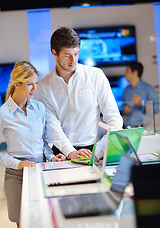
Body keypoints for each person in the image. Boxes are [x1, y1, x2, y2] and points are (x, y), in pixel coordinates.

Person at [36, 26, 123, 160]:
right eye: (67, 55)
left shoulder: (96, 76)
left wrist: (98, 153)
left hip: (94, 151)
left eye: (76, 54)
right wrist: (71, 152)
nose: (73, 60)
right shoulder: (44, 86)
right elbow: (52, 126)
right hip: (62, 154)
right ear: (54, 53)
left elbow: (115, 120)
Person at [0, 61, 66, 228]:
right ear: (16, 84)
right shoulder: (3, 114)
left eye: (35, 83)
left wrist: (51, 157)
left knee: (45, 220)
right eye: (29, 84)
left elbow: (43, 142)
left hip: (40, 171)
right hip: (16, 177)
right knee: (24, 224)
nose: (34, 89)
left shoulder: (39, 108)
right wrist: (19, 163)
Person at [122, 61, 159, 128]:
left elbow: (156, 109)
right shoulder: (126, 90)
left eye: (127, 71)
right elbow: (123, 107)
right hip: (126, 128)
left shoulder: (148, 89)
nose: (125, 74)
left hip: (142, 129)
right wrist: (125, 110)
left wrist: (141, 103)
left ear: (135, 73)